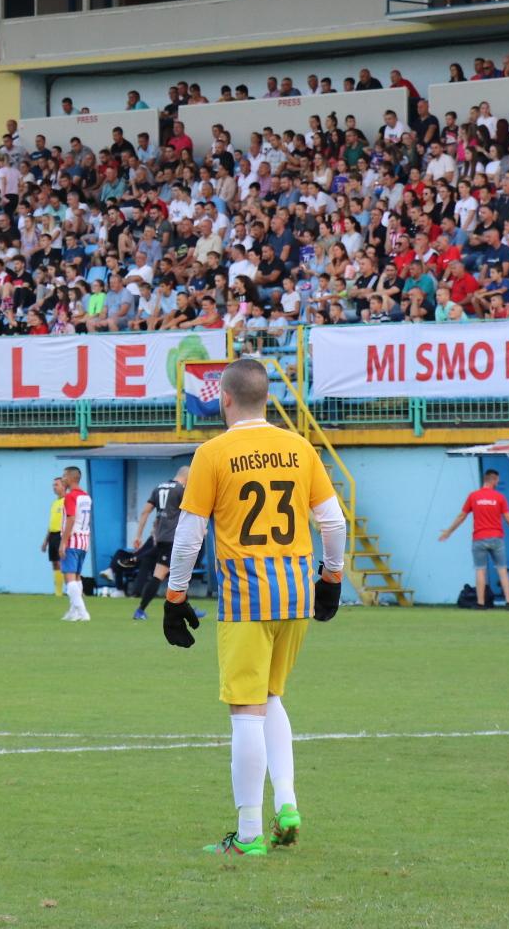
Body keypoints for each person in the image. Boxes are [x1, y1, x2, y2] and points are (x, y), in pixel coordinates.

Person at [159, 358, 346, 857]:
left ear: (223, 398)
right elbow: (333, 521)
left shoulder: (214, 453)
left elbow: (188, 537)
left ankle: (248, 835)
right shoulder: (300, 447)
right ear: (267, 397)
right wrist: (332, 578)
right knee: (271, 698)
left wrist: (174, 599)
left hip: (247, 599)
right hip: (296, 595)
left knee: (245, 712)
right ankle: (286, 803)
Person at [436, 468, 509, 609]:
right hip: (497, 538)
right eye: (497, 480)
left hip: (479, 538)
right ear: (494, 480)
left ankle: (480, 603)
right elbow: (508, 518)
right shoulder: (499, 497)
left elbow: (462, 516)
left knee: (480, 571)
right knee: (502, 570)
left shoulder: (473, 496)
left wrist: (449, 531)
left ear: (485, 479)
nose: (498, 482)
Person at [133, 466, 204, 622]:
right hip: (174, 539)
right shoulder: (181, 490)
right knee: (163, 575)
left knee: (176, 573)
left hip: (161, 538)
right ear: (188, 477)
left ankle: (186, 608)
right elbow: (192, 512)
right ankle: (140, 610)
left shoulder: (159, 487)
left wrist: (139, 535)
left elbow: (146, 511)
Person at [59, 466, 93, 622]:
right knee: (77, 577)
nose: (62, 479)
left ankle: (83, 611)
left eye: (64, 476)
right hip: (84, 541)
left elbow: (71, 519)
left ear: (71, 478)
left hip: (73, 540)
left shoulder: (70, 497)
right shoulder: (86, 496)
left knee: (70, 577)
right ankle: (74, 611)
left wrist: (63, 542)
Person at [42, 484, 65, 597]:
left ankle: (75, 591)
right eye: (53, 485)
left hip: (62, 534)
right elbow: (52, 523)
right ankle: (58, 593)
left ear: (63, 486)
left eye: (56, 485)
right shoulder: (54, 503)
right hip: (53, 535)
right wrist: (45, 541)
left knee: (63, 563)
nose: (54, 487)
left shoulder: (67, 501)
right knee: (55, 563)